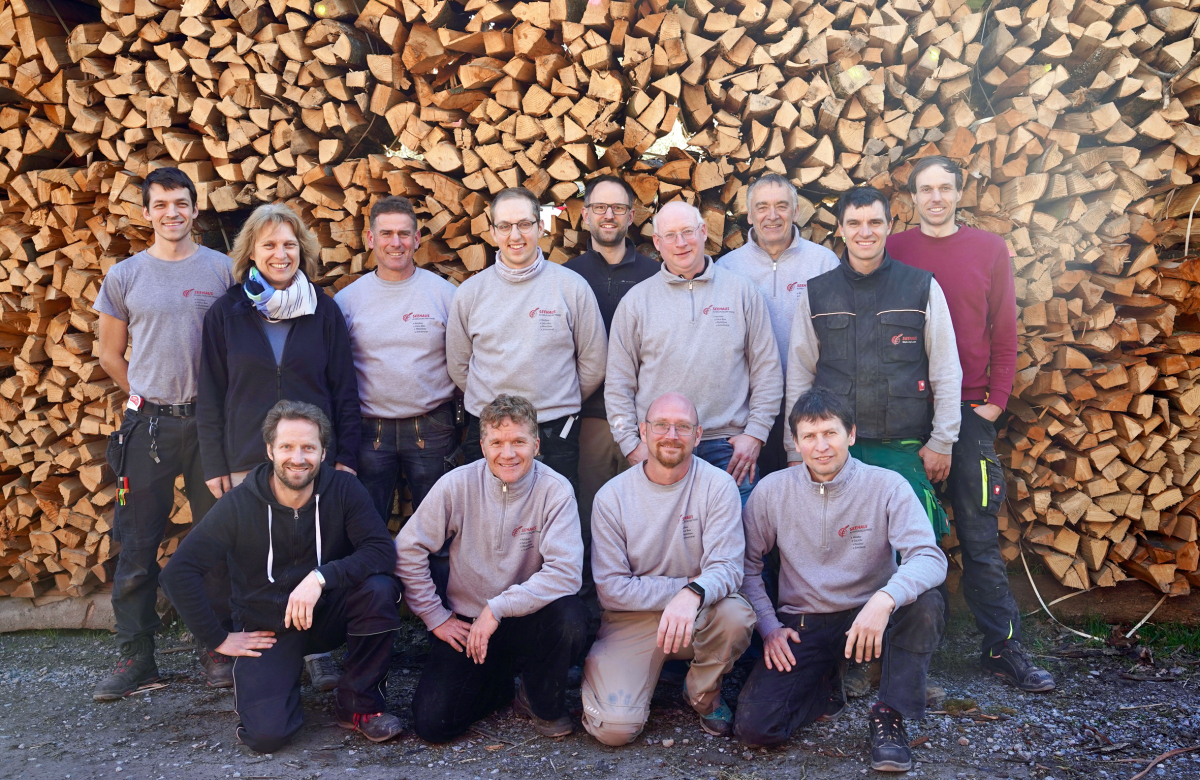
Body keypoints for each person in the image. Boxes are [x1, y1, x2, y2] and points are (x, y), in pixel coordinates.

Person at [888, 156, 1054, 692]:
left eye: (945, 188)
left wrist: (994, 403)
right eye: (925, 189)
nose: (935, 197)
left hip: (970, 415)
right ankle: (896, 652)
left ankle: (1004, 648)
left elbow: (1005, 331)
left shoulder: (988, 249)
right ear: (913, 197)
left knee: (980, 539)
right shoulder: (894, 249)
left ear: (960, 194)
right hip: (907, 418)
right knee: (896, 537)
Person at [161, 401, 403, 751]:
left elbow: (381, 550)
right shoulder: (239, 503)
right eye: (287, 446)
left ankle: (359, 705)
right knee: (266, 737)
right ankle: (275, 686)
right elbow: (178, 572)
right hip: (267, 628)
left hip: (325, 616)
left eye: (308, 447)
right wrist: (218, 639)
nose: (298, 457)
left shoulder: (344, 490)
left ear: (322, 453)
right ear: (270, 450)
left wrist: (320, 577)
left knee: (380, 589)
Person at [735, 388, 947, 773]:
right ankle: (827, 681)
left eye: (830, 433)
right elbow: (746, 566)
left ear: (850, 434)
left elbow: (929, 557)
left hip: (871, 618)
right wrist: (768, 628)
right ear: (795, 442)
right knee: (756, 729)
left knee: (927, 603)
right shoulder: (771, 491)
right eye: (810, 436)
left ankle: (890, 714)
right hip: (804, 622)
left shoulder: (886, 485)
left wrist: (884, 600)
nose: (821, 446)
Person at [198, 203, 362, 692]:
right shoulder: (226, 312)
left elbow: (345, 392)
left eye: (290, 244)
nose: (280, 253)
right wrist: (214, 463)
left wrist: (346, 459)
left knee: (316, 549)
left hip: (311, 458)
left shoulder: (324, 310)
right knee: (245, 556)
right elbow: (210, 394)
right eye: (269, 244)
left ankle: (320, 650)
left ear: (303, 251)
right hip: (247, 453)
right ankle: (240, 645)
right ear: (251, 251)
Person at [93, 167, 237, 700]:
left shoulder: (222, 270)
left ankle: (219, 649)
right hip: (147, 426)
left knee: (218, 539)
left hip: (210, 425)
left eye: (181, 203)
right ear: (147, 212)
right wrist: (147, 395)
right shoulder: (125, 276)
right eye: (161, 204)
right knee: (136, 542)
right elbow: (109, 354)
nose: (172, 213)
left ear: (195, 209)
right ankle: (136, 656)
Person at [397, 395, 587, 742]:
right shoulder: (457, 485)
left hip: (529, 617)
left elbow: (567, 573)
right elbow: (408, 548)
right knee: (433, 725)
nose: (508, 453)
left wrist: (498, 608)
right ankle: (496, 682)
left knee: (571, 616)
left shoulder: (555, 491)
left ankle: (538, 698)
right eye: (497, 442)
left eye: (519, 441)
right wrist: (434, 615)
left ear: (536, 444)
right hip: (468, 624)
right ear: (482, 446)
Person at [582, 393, 754, 744]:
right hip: (631, 619)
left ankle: (703, 694)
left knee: (736, 615)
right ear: (643, 432)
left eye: (682, 427)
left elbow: (729, 567)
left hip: (697, 613)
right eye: (661, 425)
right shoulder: (612, 497)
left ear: (698, 434)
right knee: (615, 731)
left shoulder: (718, 486)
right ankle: (611, 674)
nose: (671, 434)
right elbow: (612, 589)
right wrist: (682, 588)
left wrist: (692, 594)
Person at [606, 201, 781, 504]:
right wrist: (631, 445)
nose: (681, 243)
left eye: (687, 232)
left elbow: (767, 370)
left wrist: (755, 434)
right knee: (661, 545)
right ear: (658, 244)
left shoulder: (742, 292)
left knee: (738, 545)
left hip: (727, 448)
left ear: (703, 232)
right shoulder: (636, 302)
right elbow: (618, 382)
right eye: (670, 235)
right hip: (661, 445)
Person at [446, 187, 607, 489]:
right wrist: (500, 412)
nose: (515, 236)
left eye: (524, 224)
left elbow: (594, 362)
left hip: (554, 433)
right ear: (493, 232)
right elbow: (458, 365)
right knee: (486, 520)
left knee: (553, 524)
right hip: (488, 432)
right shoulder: (470, 293)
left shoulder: (571, 287)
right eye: (505, 226)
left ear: (540, 226)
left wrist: (554, 399)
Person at [563, 176, 659, 622]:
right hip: (592, 420)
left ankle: (641, 610)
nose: (608, 215)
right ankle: (588, 611)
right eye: (599, 207)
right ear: (585, 214)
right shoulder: (566, 276)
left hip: (650, 421)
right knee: (590, 515)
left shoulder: (656, 273)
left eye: (618, 208)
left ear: (632, 217)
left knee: (647, 518)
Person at [335, 195, 458, 521]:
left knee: (440, 526)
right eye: (386, 233)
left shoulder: (445, 295)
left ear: (417, 239)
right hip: (368, 432)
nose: (396, 242)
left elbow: (464, 363)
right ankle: (371, 574)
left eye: (404, 233)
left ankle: (439, 574)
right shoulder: (348, 300)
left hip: (432, 427)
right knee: (364, 526)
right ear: (370, 239)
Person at [719, 173, 838, 477]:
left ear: (796, 212)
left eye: (781, 206)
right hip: (748, 409)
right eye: (762, 207)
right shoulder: (727, 269)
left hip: (811, 406)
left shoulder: (824, 264)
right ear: (749, 214)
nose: (772, 216)